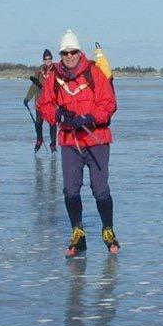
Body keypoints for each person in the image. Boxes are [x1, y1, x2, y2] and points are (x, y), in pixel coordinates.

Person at [41, 29, 119, 256]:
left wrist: (91, 117)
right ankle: (78, 233)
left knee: (100, 189)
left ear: (79, 51)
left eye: (73, 52)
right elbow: (45, 104)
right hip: (70, 141)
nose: (70, 56)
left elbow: (109, 103)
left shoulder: (94, 73)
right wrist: (58, 116)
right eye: (65, 53)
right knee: (70, 189)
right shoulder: (55, 77)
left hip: (97, 139)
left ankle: (108, 230)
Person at [23, 49, 58, 153]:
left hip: (52, 102)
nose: (48, 60)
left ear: (51, 59)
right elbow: (34, 85)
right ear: (43, 60)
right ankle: (39, 140)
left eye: (49, 58)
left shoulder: (56, 69)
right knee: (38, 123)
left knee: (52, 123)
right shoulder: (39, 70)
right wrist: (27, 98)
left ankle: (53, 144)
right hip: (40, 101)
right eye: (46, 59)